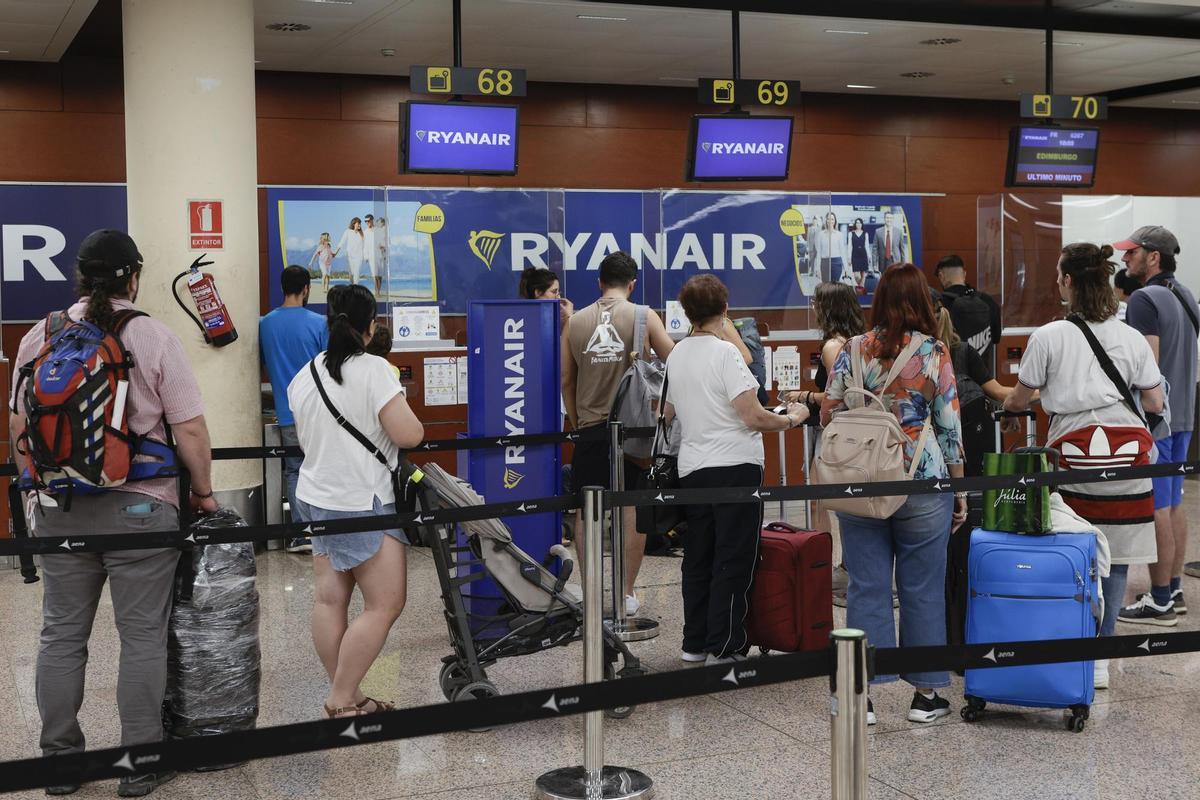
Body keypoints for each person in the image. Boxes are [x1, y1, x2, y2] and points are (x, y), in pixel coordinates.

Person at [9, 229, 219, 797]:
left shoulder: (38, 338)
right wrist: (204, 493)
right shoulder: (151, 336)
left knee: (60, 637)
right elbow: (191, 429)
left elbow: (18, 428)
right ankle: (141, 764)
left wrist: (34, 494)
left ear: (77, 277)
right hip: (141, 508)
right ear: (133, 276)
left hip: (59, 510)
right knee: (142, 637)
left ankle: (59, 764)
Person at [1004, 243, 1164, 689]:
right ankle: (1101, 656)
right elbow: (1154, 400)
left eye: (1058, 275)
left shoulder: (1050, 336)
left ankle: (1067, 643)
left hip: (1070, 459)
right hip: (1128, 463)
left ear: (1069, 281)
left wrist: (1017, 401)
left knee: (1074, 550)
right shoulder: (1130, 336)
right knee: (1116, 559)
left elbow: (1020, 398)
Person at [821, 264, 965, 725]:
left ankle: (860, 697)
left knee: (867, 586)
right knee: (922, 589)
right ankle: (925, 696)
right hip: (922, 482)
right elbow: (949, 427)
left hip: (861, 480)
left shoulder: (853, 349)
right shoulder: (934, 351)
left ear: (878, 299)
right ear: (922, 299)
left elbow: (829, 411)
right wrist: (957, 488)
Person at [287, 284, 424, 719]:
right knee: (386, 604)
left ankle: (348, 694)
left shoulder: (304, 374)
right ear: (370, 326)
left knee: (329, 601)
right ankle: (342, 696)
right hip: (361, 500)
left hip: (314, 497)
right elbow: (409, 435)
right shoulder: (375, 370)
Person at [664, 275, 808, 664]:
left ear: (687, 313)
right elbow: (753, 416)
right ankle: (725, 644)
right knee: (733, 556)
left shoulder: (676, 354)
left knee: (699, 555)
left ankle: (694, 642)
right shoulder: (726, 354)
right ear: (724, 311)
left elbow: (668, 412)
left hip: (692, 467)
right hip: (733, 466)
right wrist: (792, 418)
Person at [563, 251, 675, 615]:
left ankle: (592, 589)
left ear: (599, 282)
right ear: (632, 283)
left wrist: (578, 418)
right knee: (631, 509)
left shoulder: (576, 322)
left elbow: (566, 378)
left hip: (591, 427)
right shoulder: (644, 316)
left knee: (587, 510)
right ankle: (626, 594)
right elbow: (675, 362)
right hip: (636, 428)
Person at [1116, 226, 1198, 625]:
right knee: (1175, 503)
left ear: (1154, 257)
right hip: (1184, 414)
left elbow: (1144, 363)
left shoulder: (1146, 298)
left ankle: (1161, 599)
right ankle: (1176, 588)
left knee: (1159, 509)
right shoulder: (1184, 295)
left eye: (1132, 252)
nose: (1124, 259)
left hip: (1159, 420)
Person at [782, 282, 866, 602]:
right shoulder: (857, 341)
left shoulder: (833, 346)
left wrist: (803, 396)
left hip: (832, 432)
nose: (814, 308)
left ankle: (828, 566)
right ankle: (844, 565)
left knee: (822, 501)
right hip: (850, 433)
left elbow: (841, 394)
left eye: (817, 303)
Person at [260, 265, 328, 552]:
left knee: (294, 470)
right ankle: (321, 530)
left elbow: (263, 362)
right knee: (321, 468)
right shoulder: (320, 323)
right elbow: (329, 367)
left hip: (286, 412)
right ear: (306, 290)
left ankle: (300, 534)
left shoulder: (265, 324)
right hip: (318, 412)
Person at [934, 254, 1003, 371]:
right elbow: (996, 338)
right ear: (964, 274)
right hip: (985, 380)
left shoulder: (939, 304)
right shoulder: (988, 301)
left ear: (941, 276)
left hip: (953, 379)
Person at [808, 211, 850, 284]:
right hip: (824, 263)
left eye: (832, 219)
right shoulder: (821, 234)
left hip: (836, 263)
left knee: (834, 286)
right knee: (826, 286)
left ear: (835, 221)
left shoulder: (839, 234)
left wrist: (846, 269)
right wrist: (818, 269)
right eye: (828, 219)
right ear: (826, 220)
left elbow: (842, 252)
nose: (830, 221)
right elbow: (819, 252)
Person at [333, 217, 365, 287]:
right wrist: (335, 253)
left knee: (356, 273)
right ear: (354, 224)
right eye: (358, 223)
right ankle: (352, 286)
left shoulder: (362, 234)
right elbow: (341, 242)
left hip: (359, 256)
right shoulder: (348, 231)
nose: (359, 225)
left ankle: (355, 288)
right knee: (351, 274)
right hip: (350, 256)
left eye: (360, 224)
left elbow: (365, 246)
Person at [362, 214, 383, 296]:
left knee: (380, 275)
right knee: (374, 274)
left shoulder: (378, 230)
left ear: (372, 220)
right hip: (371, 255)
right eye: (365, 221)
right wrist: (365, 256)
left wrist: (382, 246)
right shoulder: (365, 232)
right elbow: (365, 245)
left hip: (380, 255)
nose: (367, 222)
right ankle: (377, 291)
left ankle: (379, 290)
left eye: (368, 221)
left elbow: (382, 240)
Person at [848, 218, 871, 289]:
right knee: (856, 276)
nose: (858, 224)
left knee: (863, 277)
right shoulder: (851, 234)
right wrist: (849, 257)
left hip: (863, 255)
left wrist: (869, 256)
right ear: (855, 224)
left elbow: (867, 246)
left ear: (862, 224)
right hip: (855, 256)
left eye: (860, 223)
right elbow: (849, 246)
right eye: (857, 223)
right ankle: (860, 287)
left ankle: (861, 290)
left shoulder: (865, 234)